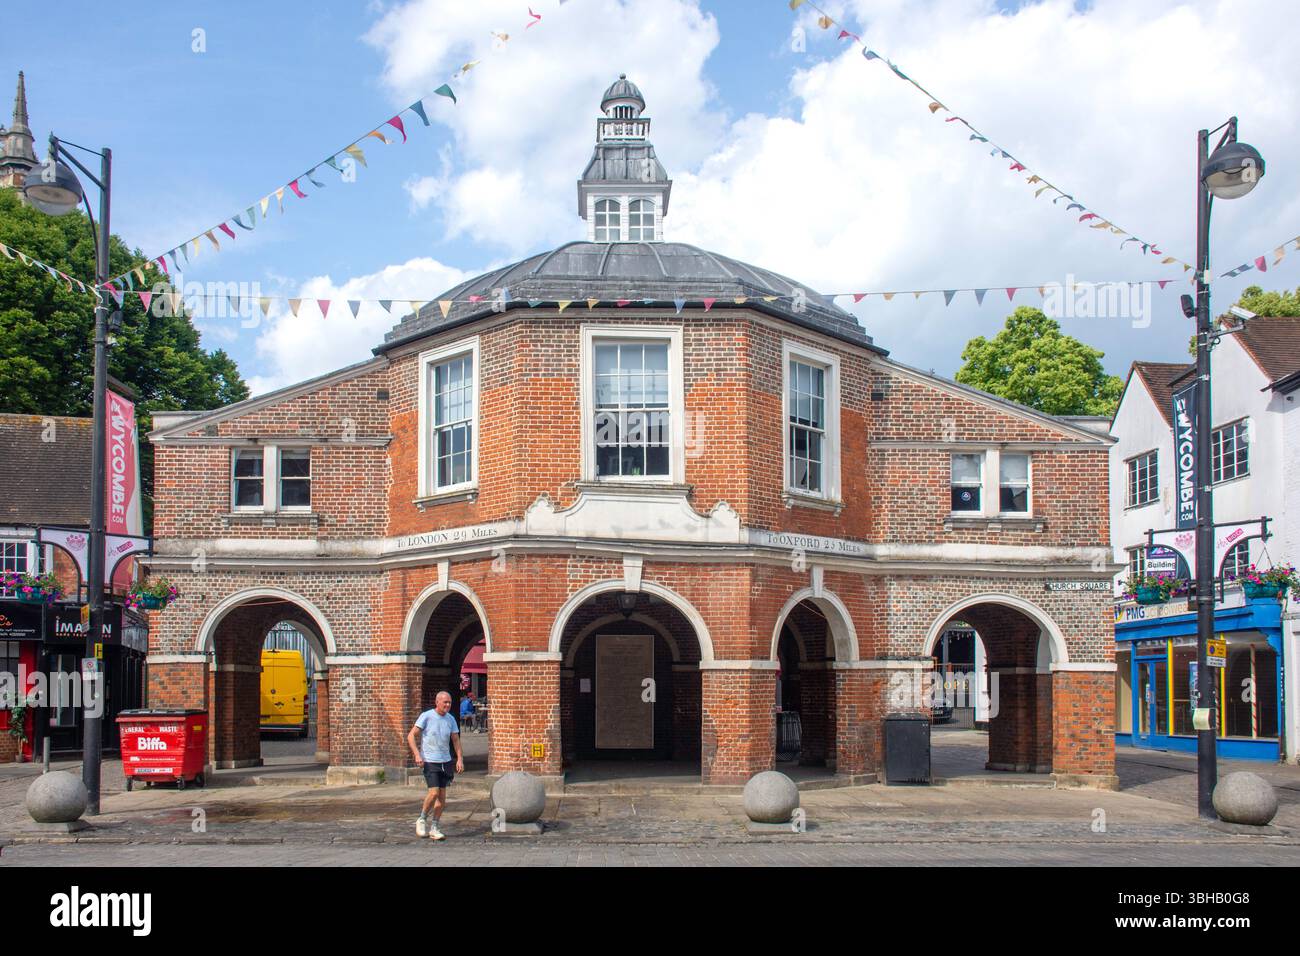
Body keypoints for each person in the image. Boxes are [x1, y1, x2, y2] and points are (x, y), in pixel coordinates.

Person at [407, 691, 464, 841]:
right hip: (430, 760)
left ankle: (435, 827)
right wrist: (417, 754)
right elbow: (411, 735)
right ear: (437, 702)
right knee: (433, 793)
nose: (447, 705)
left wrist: (459, 759)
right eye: (445, 702)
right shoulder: (426, 716)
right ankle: (422, 818)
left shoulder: (451, 719)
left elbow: (456, 740)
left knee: (442, 798)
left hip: (445, 761)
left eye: (449, 703)